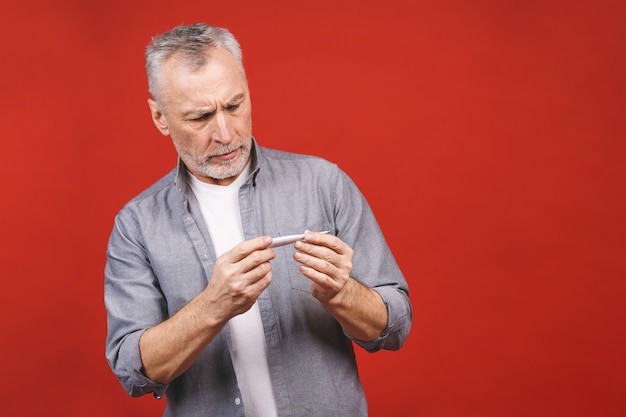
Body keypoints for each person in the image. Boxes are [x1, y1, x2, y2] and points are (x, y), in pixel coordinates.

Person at [104, 23, 412, 417]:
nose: (224, 132)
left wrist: (342, 293)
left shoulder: (324, 183)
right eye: (200, 117)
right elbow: (133, 370)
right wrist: (214, 305)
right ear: (160, 117)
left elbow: (396, 326)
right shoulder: (137, 225)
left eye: (234, 105)